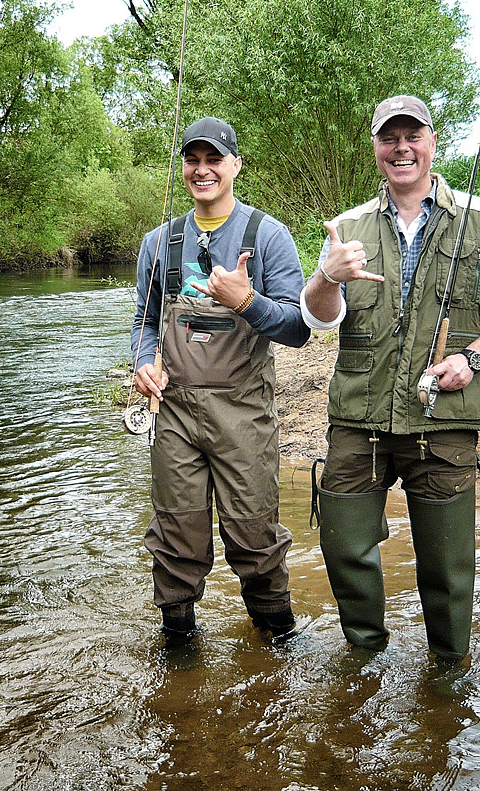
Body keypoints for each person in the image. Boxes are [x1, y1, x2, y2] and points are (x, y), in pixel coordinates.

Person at [301, 94, 480, 662]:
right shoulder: (348, 228)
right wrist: (325, 275)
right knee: (343, 548)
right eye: (390, 138)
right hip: (358, 421)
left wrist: (473, 359)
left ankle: (449, 673)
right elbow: (318, 317)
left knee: (447, 567)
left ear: (433, 142)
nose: (402, 148)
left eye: (413, 136)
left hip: (444, 421)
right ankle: (363, 663)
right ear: (376, 148)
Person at [131, 116, 310, 642]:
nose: (202, 170)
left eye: (214, 159)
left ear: (235, 164)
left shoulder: (268, 235)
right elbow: (145, 321)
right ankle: (178, 652)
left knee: (255, 538)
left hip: (244, 412)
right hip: (175, 412)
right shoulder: (158, 242)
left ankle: (278, 642)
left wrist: (246, 301)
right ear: (183, 167)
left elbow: (299, 329)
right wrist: (144, 362)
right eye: (193, 159)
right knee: (176, 538)